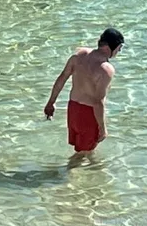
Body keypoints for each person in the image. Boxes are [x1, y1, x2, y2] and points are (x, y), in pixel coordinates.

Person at [43, 28, 123, 157]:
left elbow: (62, 78)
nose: (119, 51)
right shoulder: (106, 69)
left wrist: (51, 103)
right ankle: (68, 176)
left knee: (83, 152)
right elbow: (98, 102)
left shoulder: (79, 55)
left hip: (73, 109)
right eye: (119, 47)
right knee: (82, 156)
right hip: (89, 115)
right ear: (110, 47)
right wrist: (103, 128)